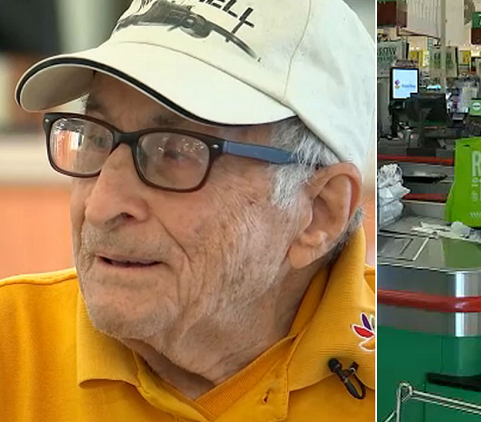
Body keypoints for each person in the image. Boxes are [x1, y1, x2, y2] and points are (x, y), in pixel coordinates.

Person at [0, 1, 375, 421]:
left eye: (176, 151)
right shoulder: (12, 348)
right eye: (97, 137)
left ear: (318, 214)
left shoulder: (422, 375)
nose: (102, 206)